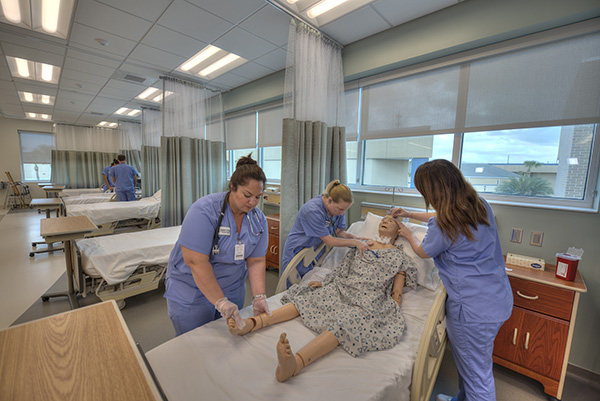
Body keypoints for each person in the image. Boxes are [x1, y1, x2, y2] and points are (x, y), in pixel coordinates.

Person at [228, 215, 417, 382]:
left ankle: (295, 364)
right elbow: (343, 269)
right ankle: (251, 323)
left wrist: (393, 308)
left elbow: (396, 290)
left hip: (368, 299)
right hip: (342, 287)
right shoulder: (362, 244)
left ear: (398, 230)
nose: (384, 221)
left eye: (390, 221)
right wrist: (325, 283)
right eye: (383, 219)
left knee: (345, 323)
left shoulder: (398, 256)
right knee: (307, 300)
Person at [391, 159, 513, 401]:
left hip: (471, 309)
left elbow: (423, 250)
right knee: (472, 363)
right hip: (497, 298)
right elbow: (441, 216)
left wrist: (406, 232)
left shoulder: (443, 225)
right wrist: (409, 213)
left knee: (477, 374)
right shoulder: (479, 205)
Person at [164, 154, 270, 336]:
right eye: (247, 195)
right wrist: (220, 301)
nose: (252, 202)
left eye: (258, 197)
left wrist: (259, 296)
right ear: (232, 187)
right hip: (193, 292)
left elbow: (256, 261)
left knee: (228, 343)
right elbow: (196, 262)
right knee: (193, 346)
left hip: (233, 288)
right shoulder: (204, 211)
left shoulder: (258, 219)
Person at [281, 180, 369, 280]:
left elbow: (338, 232)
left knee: (308, 283)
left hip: (314, 252)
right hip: (297, 250)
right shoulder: (313, 210)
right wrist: (354, 242)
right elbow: (329, 241)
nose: (341, 213)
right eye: (340, 209)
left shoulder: (338, 208)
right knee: (292, 284)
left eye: (344, 210)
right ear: (330, 200)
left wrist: (352, 236)